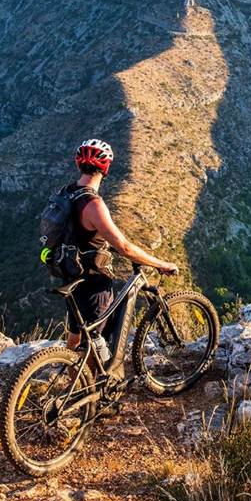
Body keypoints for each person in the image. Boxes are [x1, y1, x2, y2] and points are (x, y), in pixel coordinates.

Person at [54, 139, 178, 357]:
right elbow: (125, 247)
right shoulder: (93, 204)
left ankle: (71, 381)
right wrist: (161, 264)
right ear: (106, 167)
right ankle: (94, 388)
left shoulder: (66, 193)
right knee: (95, 342)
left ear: (78, 164)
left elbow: (77, 234)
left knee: (76, 334)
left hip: (69, 274)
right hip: (93, 283)